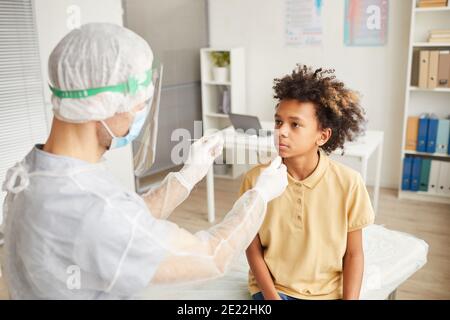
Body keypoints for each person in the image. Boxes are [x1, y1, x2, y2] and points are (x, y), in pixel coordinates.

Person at [0, 23, 288, 299]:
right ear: (102, 104)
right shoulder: (93, 207)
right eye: (138, 105)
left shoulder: (31, 171)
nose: (140, 115)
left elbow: (127, 220)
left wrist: (187, 176)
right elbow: (210, 256)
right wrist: (259, 196)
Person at [240, 65, 375, 300]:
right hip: (274, 290)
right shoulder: (256, 180)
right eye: (278, 122)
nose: (281, 131)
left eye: (295, 124)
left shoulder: (349, 183)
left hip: (327, 293)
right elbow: (252, 247)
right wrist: (273, 298)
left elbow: (354, 254)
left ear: (322, 136)